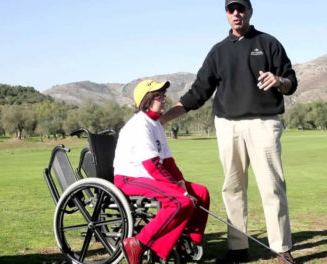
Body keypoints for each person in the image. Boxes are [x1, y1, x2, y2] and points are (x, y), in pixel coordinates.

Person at [160, 0, 297, 263]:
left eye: (241, 8)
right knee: (232, 188)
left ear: (250, 11)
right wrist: (161, 119)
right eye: (231, 9)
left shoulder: (269, 43)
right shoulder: (218, 51)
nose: (237, 13)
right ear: (226, 14)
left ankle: (282, 249)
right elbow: (197, 93)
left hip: (264, 123)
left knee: (272, 186)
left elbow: (291, 82)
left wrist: (279, 80)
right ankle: (238, 248)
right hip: (227, 126)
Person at [113, 79, 210, 264]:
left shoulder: (155, 123)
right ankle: (138, 243)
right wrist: (180, 191)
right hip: (130, 179)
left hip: (148, 177)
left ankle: (187, 244)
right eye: (159, 96)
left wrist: (180, 182)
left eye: (163, 95)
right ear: (146, 99)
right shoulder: (140, 125)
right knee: (180, 201)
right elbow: (152, 166)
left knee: (200, 192)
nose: (164, 99)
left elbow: (168, 162)